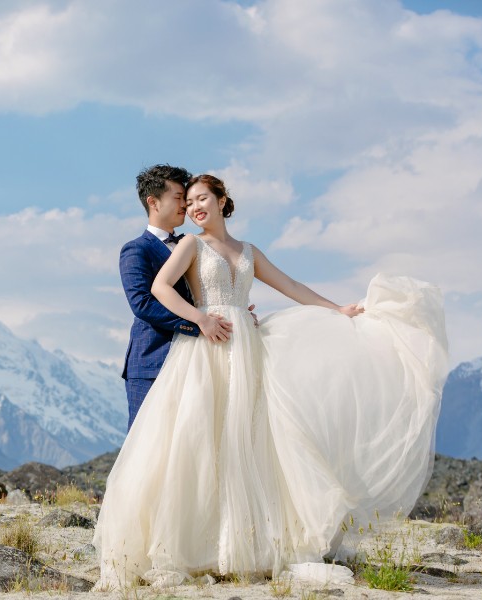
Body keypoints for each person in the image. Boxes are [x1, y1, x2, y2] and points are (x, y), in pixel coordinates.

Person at [94, 173, 448, 589]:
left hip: (247, 348)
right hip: (206, 348)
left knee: (251, 438)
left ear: (223, 200)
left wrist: (338, 309)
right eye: (188, 202)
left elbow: (291, 285)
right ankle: (190, 542)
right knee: (198, 439)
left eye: (202, 198)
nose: (194, 208)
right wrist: (201, 318)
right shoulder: (190, 244)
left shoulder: (249, 251)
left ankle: (246, 540)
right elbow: (157, 289)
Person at [119, 165, 238, 430]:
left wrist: (231, 310)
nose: (185, 205)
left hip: (197, 359)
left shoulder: (194, 244)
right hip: (152, 360)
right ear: (153, 202)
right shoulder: (136, 250)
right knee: (146, 440)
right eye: (177, 197)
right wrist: (199, 324)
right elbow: (142, 304)